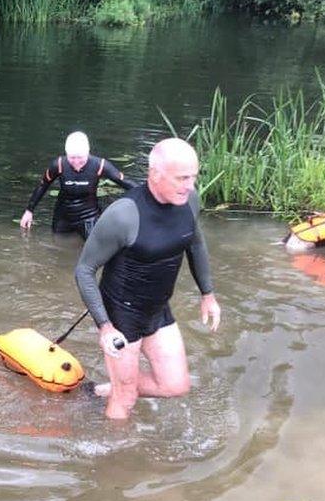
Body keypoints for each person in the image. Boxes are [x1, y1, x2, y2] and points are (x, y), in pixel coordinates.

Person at [73, 138, 221, 420]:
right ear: (155, 174)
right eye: (181, 178)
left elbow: (196, 243)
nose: (189, 185)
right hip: (121, 316)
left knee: (176, 385)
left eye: (193, 177)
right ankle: (112, 458)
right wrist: (105, 327)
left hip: (158, 310)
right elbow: (84, 270)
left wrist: (208, 294)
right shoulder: (123, 215)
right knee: (126, 399)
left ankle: (107, 389)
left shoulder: (190, 200)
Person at [20, 131, 136, 238]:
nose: (76, 162)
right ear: (66, 154)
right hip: (63, 216)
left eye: (80, 158)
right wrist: (29, 211)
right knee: (58, 247)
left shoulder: (99, 165)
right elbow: (42, 186)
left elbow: (125, 182)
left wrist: (149, 195)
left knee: (93, 249)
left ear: (88, 152)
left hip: (89, 216)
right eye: (72, 158)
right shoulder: (59, 164)